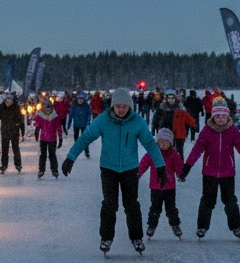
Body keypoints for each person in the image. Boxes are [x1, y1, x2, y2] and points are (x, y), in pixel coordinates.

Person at [62, 87, 165, 254]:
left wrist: (160, 166)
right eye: (118, 106)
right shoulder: (103, 120)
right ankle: (106, 238)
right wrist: (70, 157)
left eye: (124, 106)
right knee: (110, 205)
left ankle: (136, 237)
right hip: (108, 168)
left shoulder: (137, 121)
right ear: (113, 106)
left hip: (130, 169)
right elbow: (86, 137)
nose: (121, 109)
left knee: (131, 204)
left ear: (129, 106)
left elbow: (150, 144)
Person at [180, 97, 240, 240]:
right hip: (209, 172)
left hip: (228, 173)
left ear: (228, 117)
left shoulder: (232, 130)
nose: (221, 119)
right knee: (207, 201)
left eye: (223, 116)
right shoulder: (207, 131)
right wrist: (187, 167)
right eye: (218, 116)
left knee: (230, 201)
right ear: (213, 116)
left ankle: (236, 227)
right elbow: (197, 150)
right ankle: (202, 227)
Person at [138, 127, 184, 238]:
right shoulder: (152, 153)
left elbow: (179, 166)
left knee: (171, 209)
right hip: (156, 187)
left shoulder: (174, 155)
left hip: (169, 188)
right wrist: (137, 174)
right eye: (161, 142)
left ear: (170, 143)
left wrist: (181, 174)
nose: (163, 145)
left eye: (166, 142)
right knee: (155, 208)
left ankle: (175, 225)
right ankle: (151, 226)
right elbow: (143, 164)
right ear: (157, 142)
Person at [0, 92, 25, 173]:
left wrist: (22, 131)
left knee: (15, 149)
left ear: (12, 101)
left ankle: (18, 165)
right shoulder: (1, 107)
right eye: (6, 102)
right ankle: (4, 165)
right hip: (5, 131)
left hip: (14, 131)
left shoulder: (16, 107)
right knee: (4, 150)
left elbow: (21, 120)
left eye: (9, 102)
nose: (8, 103)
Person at [34, 97, 64, 178]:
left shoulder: (55, 117)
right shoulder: (40, 116)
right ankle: (41, 169)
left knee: (52, 154)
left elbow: (59, 128)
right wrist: (36, 131)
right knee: (43, 155)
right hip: (43, 139)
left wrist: (60, 138)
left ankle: (54, 169)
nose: (47, 110)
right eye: (45, 108)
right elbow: (38, 125)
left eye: (49, 108)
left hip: (52, 139)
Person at [66, 91, 93, 157]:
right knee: (76, 138)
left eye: (81, 99)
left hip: (84, 124)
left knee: (85, 138)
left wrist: (89, 122)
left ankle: (87, 152)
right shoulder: (74, 105)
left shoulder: (86, 106)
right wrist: (69, 124)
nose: (80, 101)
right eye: (79, 99)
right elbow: (71, 115)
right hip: (76, 124)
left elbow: (89, 114)